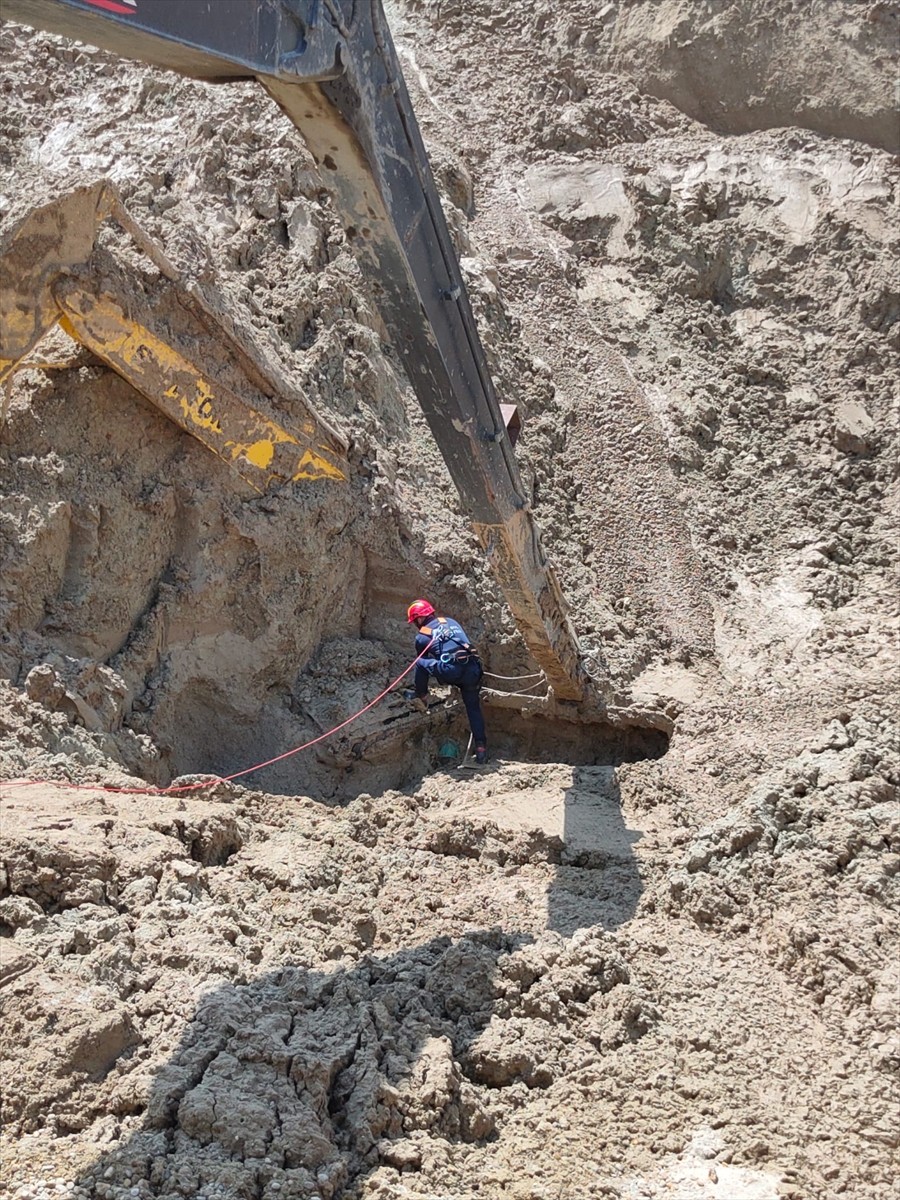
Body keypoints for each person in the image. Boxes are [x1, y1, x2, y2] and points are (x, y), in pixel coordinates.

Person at [405, 599, 488, 764]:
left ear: (419, 619)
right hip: (473, 669)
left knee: (420, 663)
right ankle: (481, 750)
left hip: (452, 671)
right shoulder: (450, 621)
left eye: (415, 621)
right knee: (473, 707)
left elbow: (424, 664)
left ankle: (421, 696)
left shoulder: (422, 636)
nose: (416, 624)